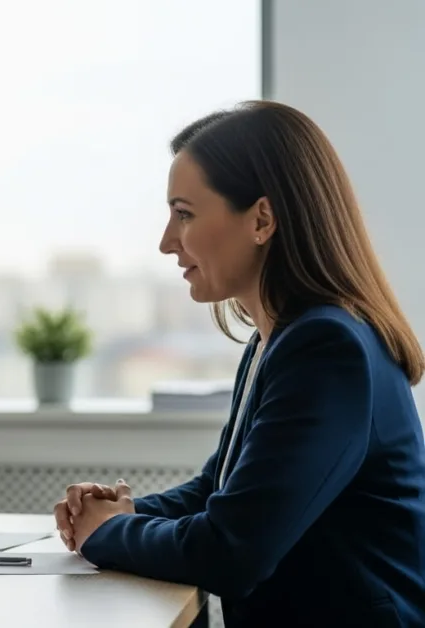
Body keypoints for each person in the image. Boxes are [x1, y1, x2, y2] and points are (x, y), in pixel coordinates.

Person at [53, 101, 425, 627]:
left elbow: (230, 551)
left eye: (184, 213)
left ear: (262, 219)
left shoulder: (326, 349)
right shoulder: (278, 339)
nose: (167, 242)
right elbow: (219, 491)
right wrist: (127, 512)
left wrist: (105, 532)